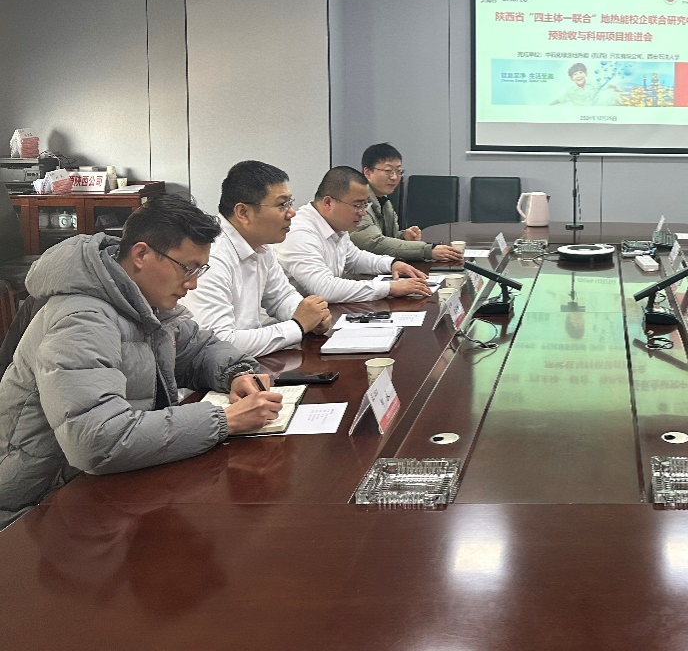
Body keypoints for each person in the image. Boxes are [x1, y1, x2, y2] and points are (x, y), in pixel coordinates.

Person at [0, 195, 284, 529]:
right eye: (188, 268)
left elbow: (198, 348)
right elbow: (97, 440)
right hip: (37, 510)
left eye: (200, 269)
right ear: (141, 254)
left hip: (99, 492)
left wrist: (236, 373)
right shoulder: (82, 318)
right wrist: (225, 420)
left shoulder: (143, 302)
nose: (193, 283)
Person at [183, 161, 332, 357]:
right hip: (217, 370)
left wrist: (311, 315)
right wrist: (298, 325)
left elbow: (281, 297)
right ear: (243, 213)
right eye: (282, 205)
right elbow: (219, 343)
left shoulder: (261, 245)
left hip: (249, 362)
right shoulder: (211, 257)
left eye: (290, 202)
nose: (292, 212)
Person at [277, 166, 431, 303]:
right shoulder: (299, 232)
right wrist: (389, 288)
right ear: (328, 203)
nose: (363, 212)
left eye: (365, 205)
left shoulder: (336, 226)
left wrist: (392, 264)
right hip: (286, 321)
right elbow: (324, 288)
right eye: (357, 205)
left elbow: (355, 258)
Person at [350, 143, 462, 262]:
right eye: (388, 171)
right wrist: (427, 250)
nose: (394, 177)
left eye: (398, 171)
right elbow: (374, 243)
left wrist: (403, 236)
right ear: (368, 172)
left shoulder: (384, 201)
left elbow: (388, 238)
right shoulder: (357, 203)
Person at [549, 62, 617, 106]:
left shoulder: (593, 84)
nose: (578, 76)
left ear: (586, 74)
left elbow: (606, 86)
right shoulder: (571, 91)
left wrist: (617, 89)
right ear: (571, 78)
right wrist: (547, 107)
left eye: (581, 72)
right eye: (575, 74)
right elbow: (559, 100)